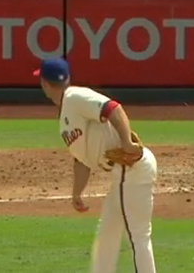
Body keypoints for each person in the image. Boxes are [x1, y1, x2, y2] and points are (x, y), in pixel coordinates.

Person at [32, 57, 158, 273]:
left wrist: (126, 142)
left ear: (44, 83)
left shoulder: (75, 96)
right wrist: (77, 193)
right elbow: (82, 158)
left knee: (138, 236)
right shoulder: (67, 109)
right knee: (107, 235)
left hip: (131, 170)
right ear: (67, 77)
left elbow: (113, 108)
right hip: (123, 174)